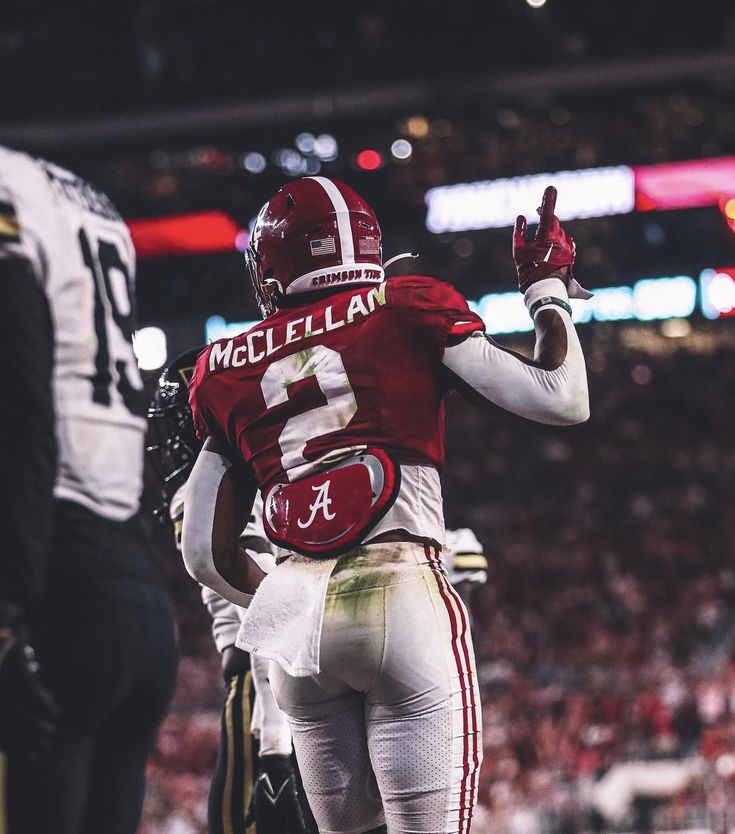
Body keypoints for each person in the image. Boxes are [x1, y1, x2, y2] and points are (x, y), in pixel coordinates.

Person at [181, 176, 590, 834]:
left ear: (272, 267)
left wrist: (287, 603)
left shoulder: (221, 364)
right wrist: (546, 291)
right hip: (400, 595)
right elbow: (560, 397)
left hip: (298, 625)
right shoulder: (405, 304)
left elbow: (203, 553)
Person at [0, 145, 177, 834]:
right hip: (131, 583)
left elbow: (23, 406)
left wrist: (7, 610)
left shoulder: (11, 190)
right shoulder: (83, 194)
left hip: (51, 582)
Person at [149, 349, 316, 834]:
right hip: (281, 678)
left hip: (263, 688)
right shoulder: (265, 472)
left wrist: (272, 746)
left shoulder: (213, 486)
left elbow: (263, 612)